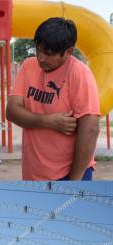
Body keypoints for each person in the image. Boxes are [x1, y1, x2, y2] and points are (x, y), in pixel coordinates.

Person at [6, 17, 100, 180]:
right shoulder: (29, 66)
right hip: (34, 173)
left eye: (48, 54)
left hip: (69, 174)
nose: (41, 58)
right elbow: (12, 111)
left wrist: (74, 182)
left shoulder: (80, 74)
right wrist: (50, 121)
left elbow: (90, 130)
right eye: (38, 50)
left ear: (68, 52)